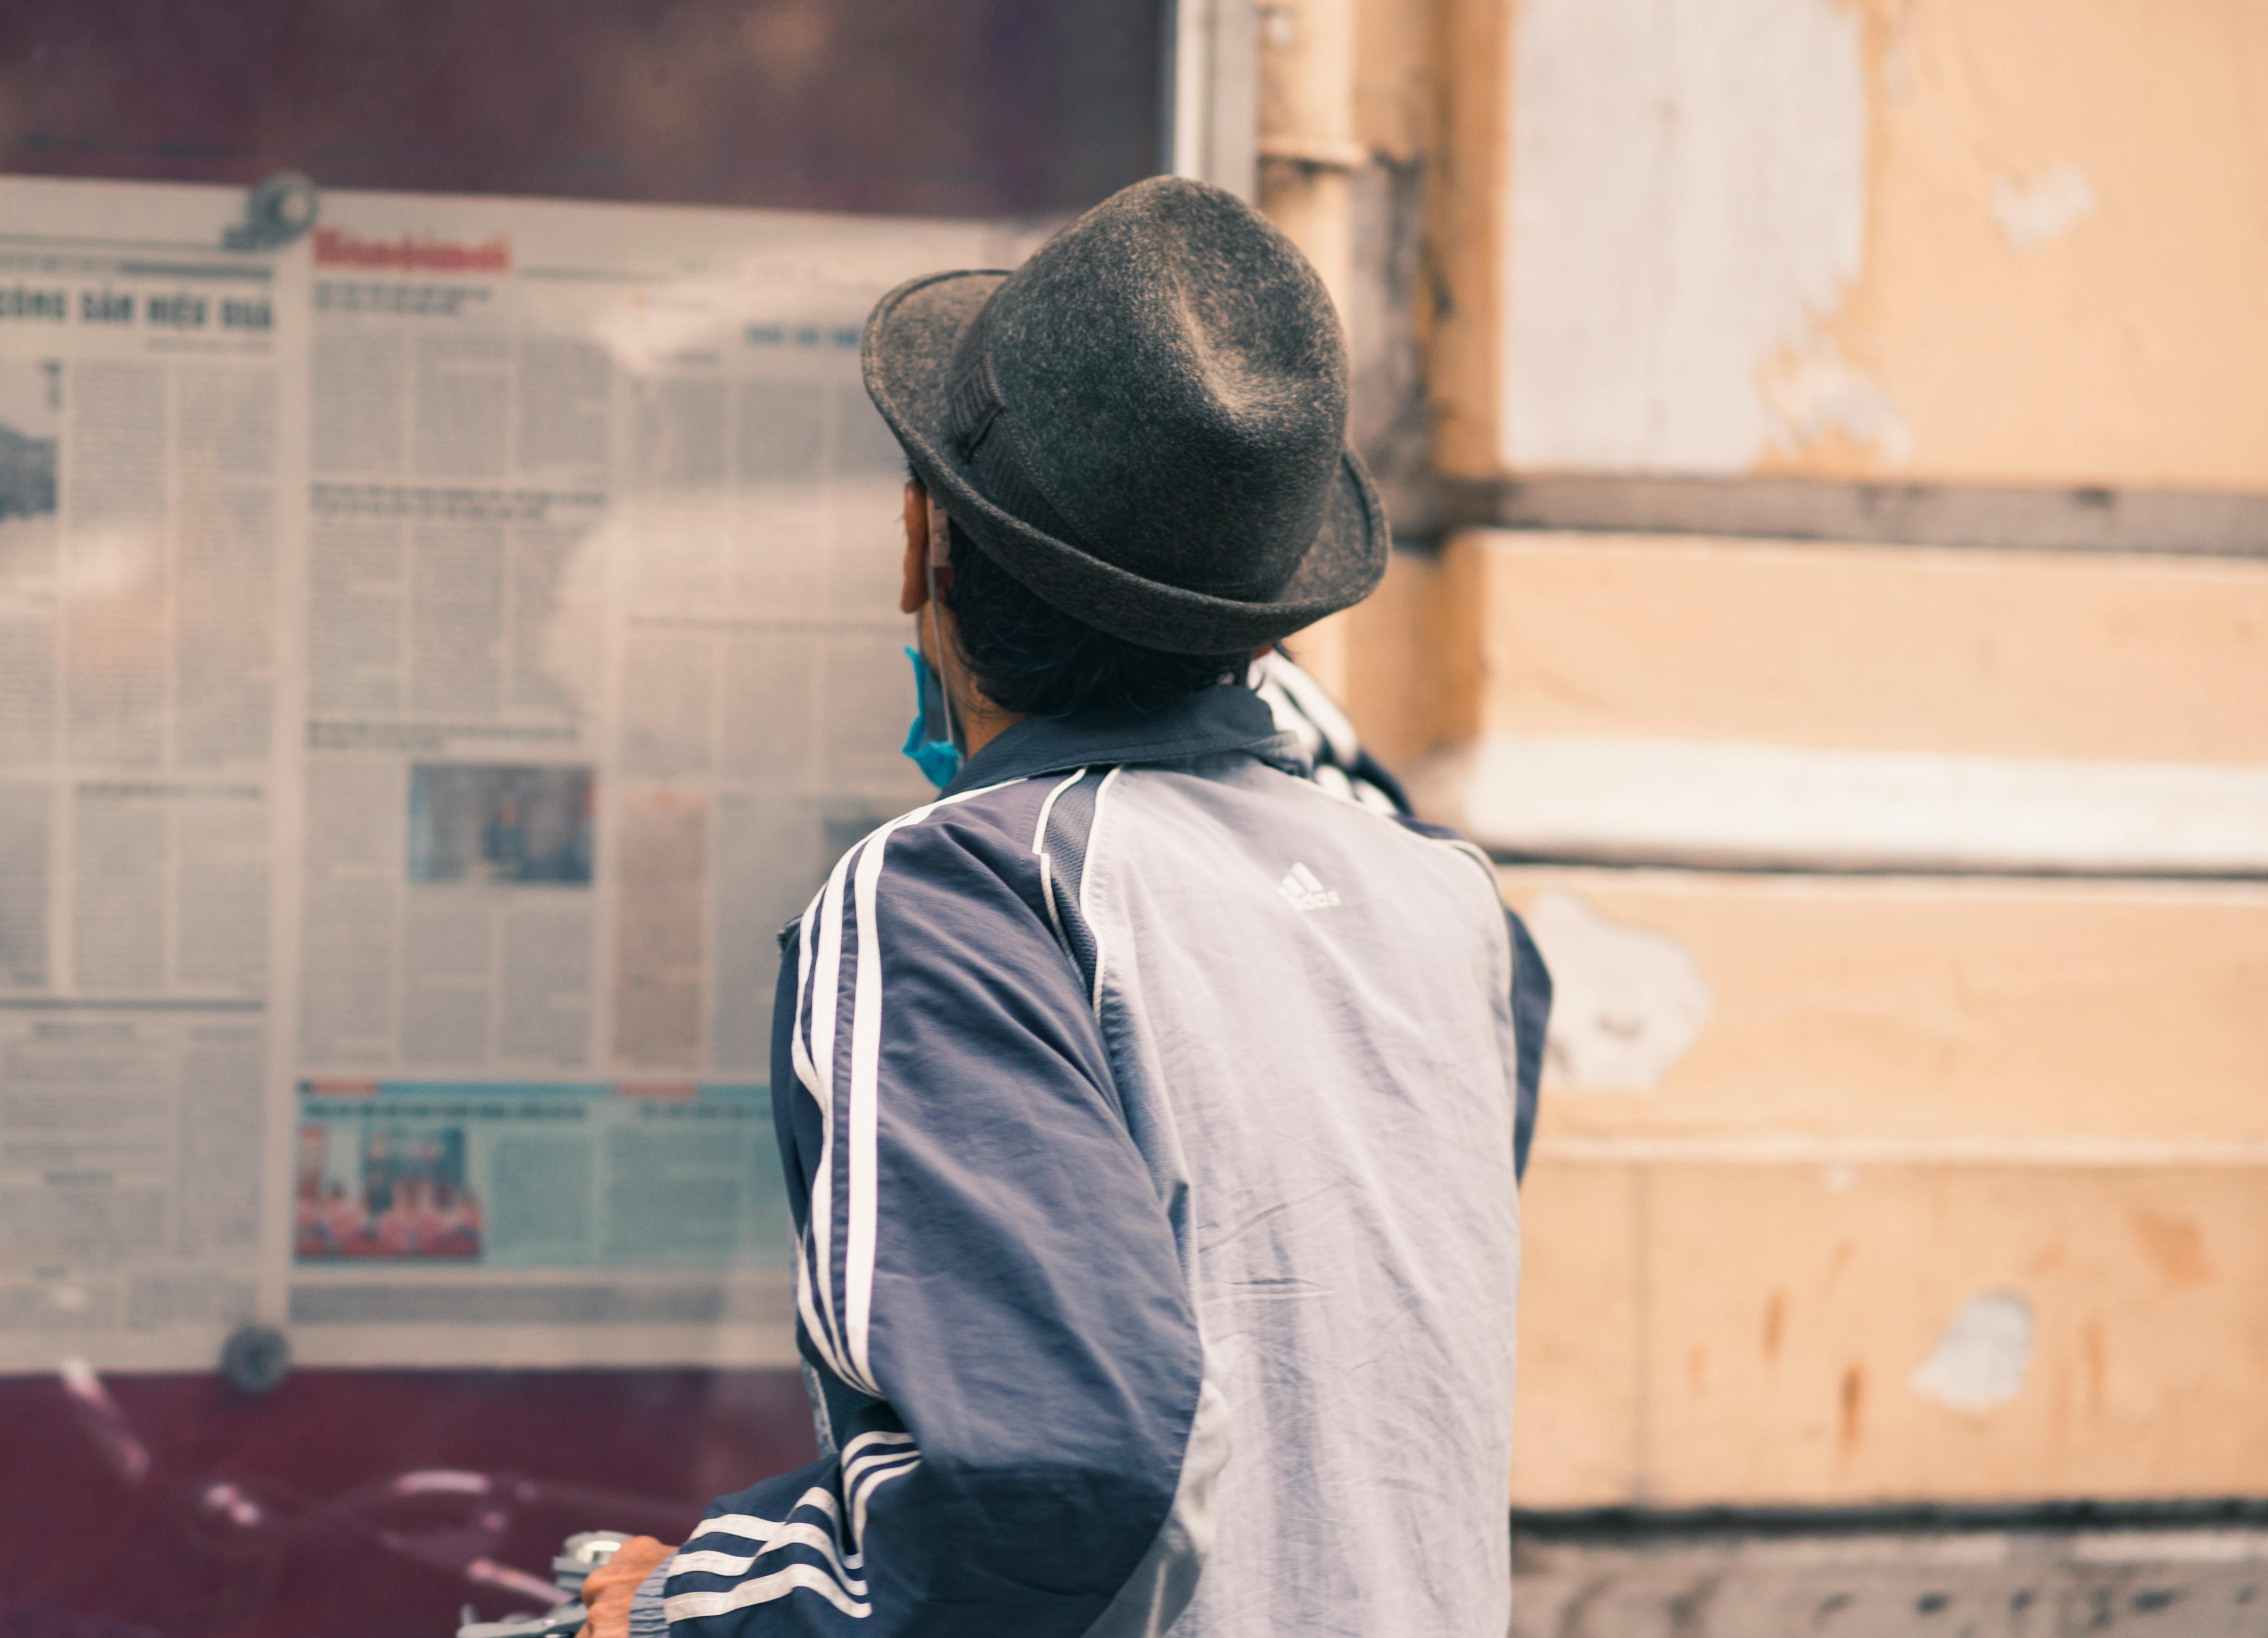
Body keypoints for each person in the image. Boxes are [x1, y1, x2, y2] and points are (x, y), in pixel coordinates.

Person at [582, 177, 1549, 1637]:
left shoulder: (959, 894)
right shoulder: (1455, 914)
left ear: (920, 546)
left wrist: (684, 1609)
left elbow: (1048, 1472)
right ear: (1273, 617)